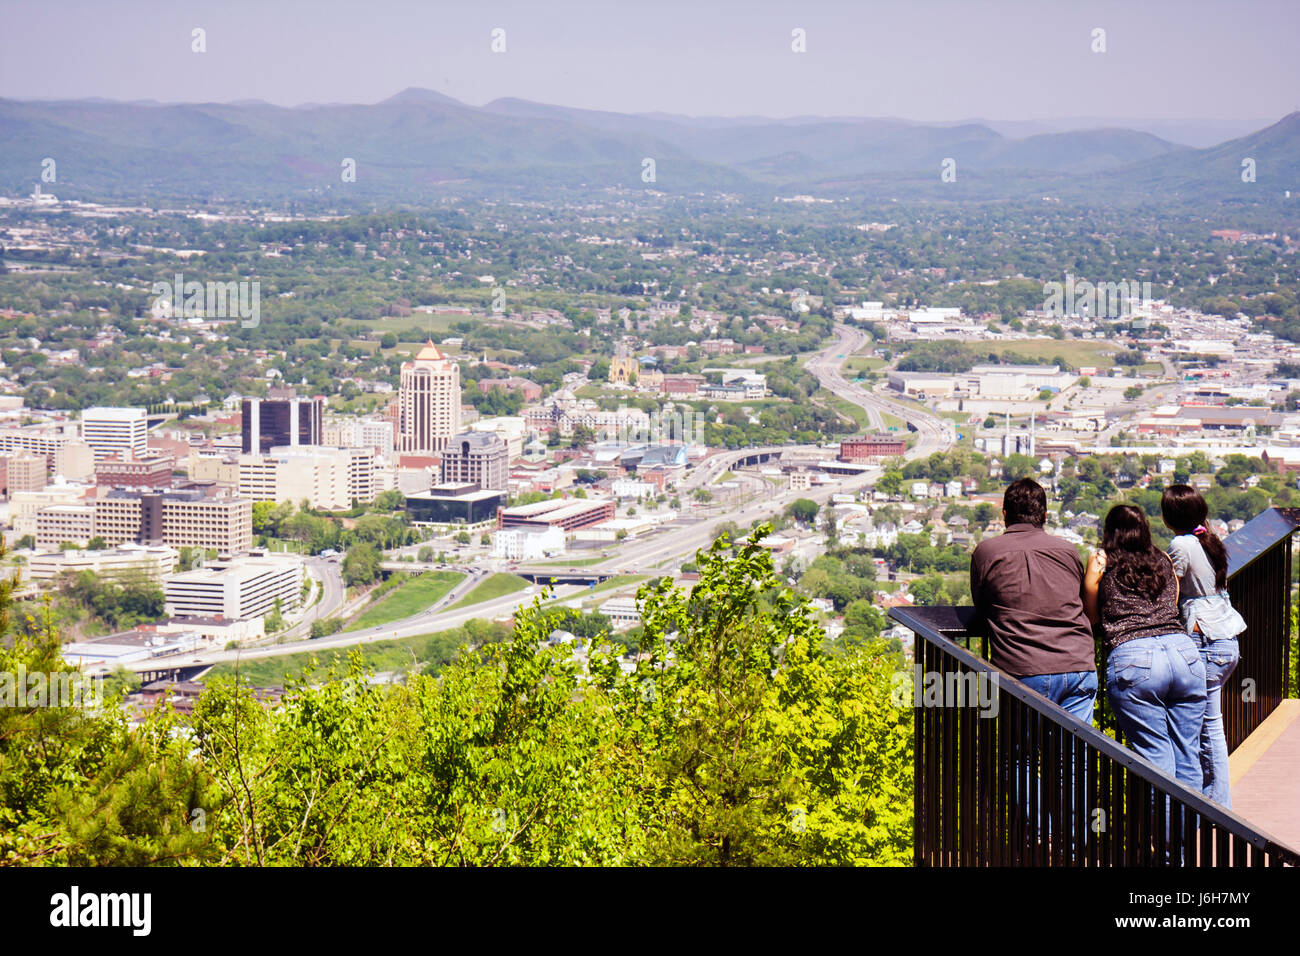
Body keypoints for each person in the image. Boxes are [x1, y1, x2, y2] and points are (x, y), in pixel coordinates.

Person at [1084, 505, 1207, 790]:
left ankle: (1164, 834)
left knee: (1156, 761)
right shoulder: (1162, 559)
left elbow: (1091, 615)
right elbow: (1173, 599)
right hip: (1182, 652)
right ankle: (1188, 831)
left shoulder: (1102, 561)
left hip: (1134, 656)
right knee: (1188, 754)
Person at [970, 477, 1097, 722]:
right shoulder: (1068, 551)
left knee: (1023, 756)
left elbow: (982, 606)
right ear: (1045, 516)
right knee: (1075, 755)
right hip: (1077, 664)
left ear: (1004, 514)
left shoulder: (987, 552)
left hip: (1022, 666)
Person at [1161, 485, 1245, 808]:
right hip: (1225, 638)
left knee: (1206, 726)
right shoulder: (1209, 540)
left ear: (1170, 518)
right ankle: (1213, 800)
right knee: (1210, 723)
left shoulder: (1181, 545)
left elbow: (1170, 588)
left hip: (1204, 639)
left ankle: (1218, 805)